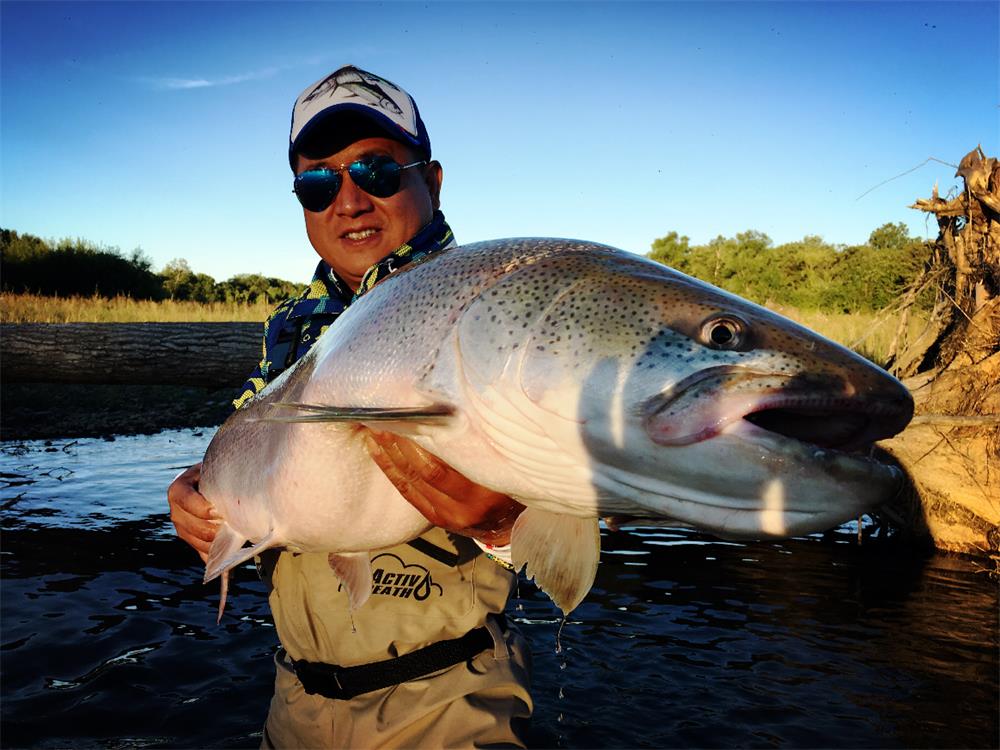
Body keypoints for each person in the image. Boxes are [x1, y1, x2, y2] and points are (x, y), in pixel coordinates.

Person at [167, 64, 533, 748]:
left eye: (377, 171)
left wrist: (506, 526)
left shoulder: (496, 307)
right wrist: (196, 495)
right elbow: (255, 445)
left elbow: (574, 523)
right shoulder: (289, 326)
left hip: (452, 702)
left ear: (433, 180)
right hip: (297, 701)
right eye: (318, 181)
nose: (350, 200)